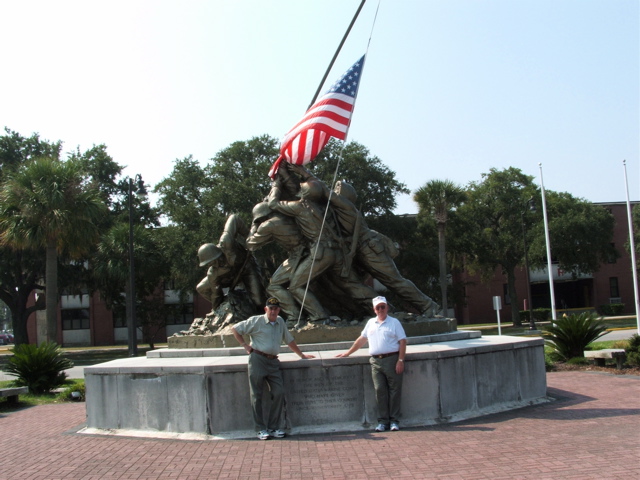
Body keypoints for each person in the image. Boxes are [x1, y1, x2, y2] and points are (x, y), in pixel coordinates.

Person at [231, 296, 315, 440]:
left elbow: (289, 339)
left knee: (279, 392)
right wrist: (245, 345)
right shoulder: (256, 321)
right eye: (271, 308)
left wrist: (301, 355)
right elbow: (235, 329)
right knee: (256, 395)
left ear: (279, 310)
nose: (273, 311)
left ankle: (273, 427)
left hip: (273, 362)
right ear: (266, 309)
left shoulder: (280, 321)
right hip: (258, 359)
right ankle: (260, 428)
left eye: (276, 309)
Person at [336, 296, 407, 432]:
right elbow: (362, 339)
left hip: (392, 359)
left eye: (383, 307)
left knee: (394, 391)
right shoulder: (370, 323)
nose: (380, 309)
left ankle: (394, 421)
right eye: (378, 307)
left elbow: (403, 341)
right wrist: (348, 353)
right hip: (375, 361)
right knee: (380, 390)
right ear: (374, 310)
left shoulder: (394, 322)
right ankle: (382, 421)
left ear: (387, 308)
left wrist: (400, 360)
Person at [196, 214, 265, 315]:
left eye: (211, 262)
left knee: (259, 302)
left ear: (217, 256)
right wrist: (220, 308)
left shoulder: (226, 243)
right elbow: (216, 295)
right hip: (230, 278)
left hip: (246, 268)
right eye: (208, 263)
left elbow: (235, 218)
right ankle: (232, 304)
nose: (210, 265)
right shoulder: (213, 272)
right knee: (201, 288)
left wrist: (249, 239)